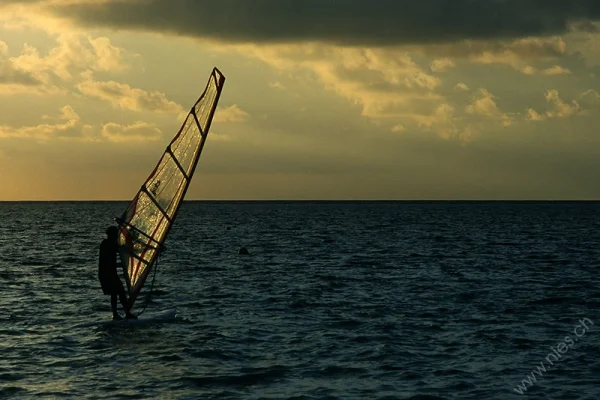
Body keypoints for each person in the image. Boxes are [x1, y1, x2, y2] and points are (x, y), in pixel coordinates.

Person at [98, 226, 137, 320]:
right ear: (112, 235)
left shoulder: (107, 243)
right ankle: (122, 314)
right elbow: (123, 249)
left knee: (116, 293)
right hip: (107, 273)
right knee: (119, 292)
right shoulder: (107, 244)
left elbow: (123, 248)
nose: (117, 236)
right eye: (116, 235)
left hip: (108, 273)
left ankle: (119, 314)